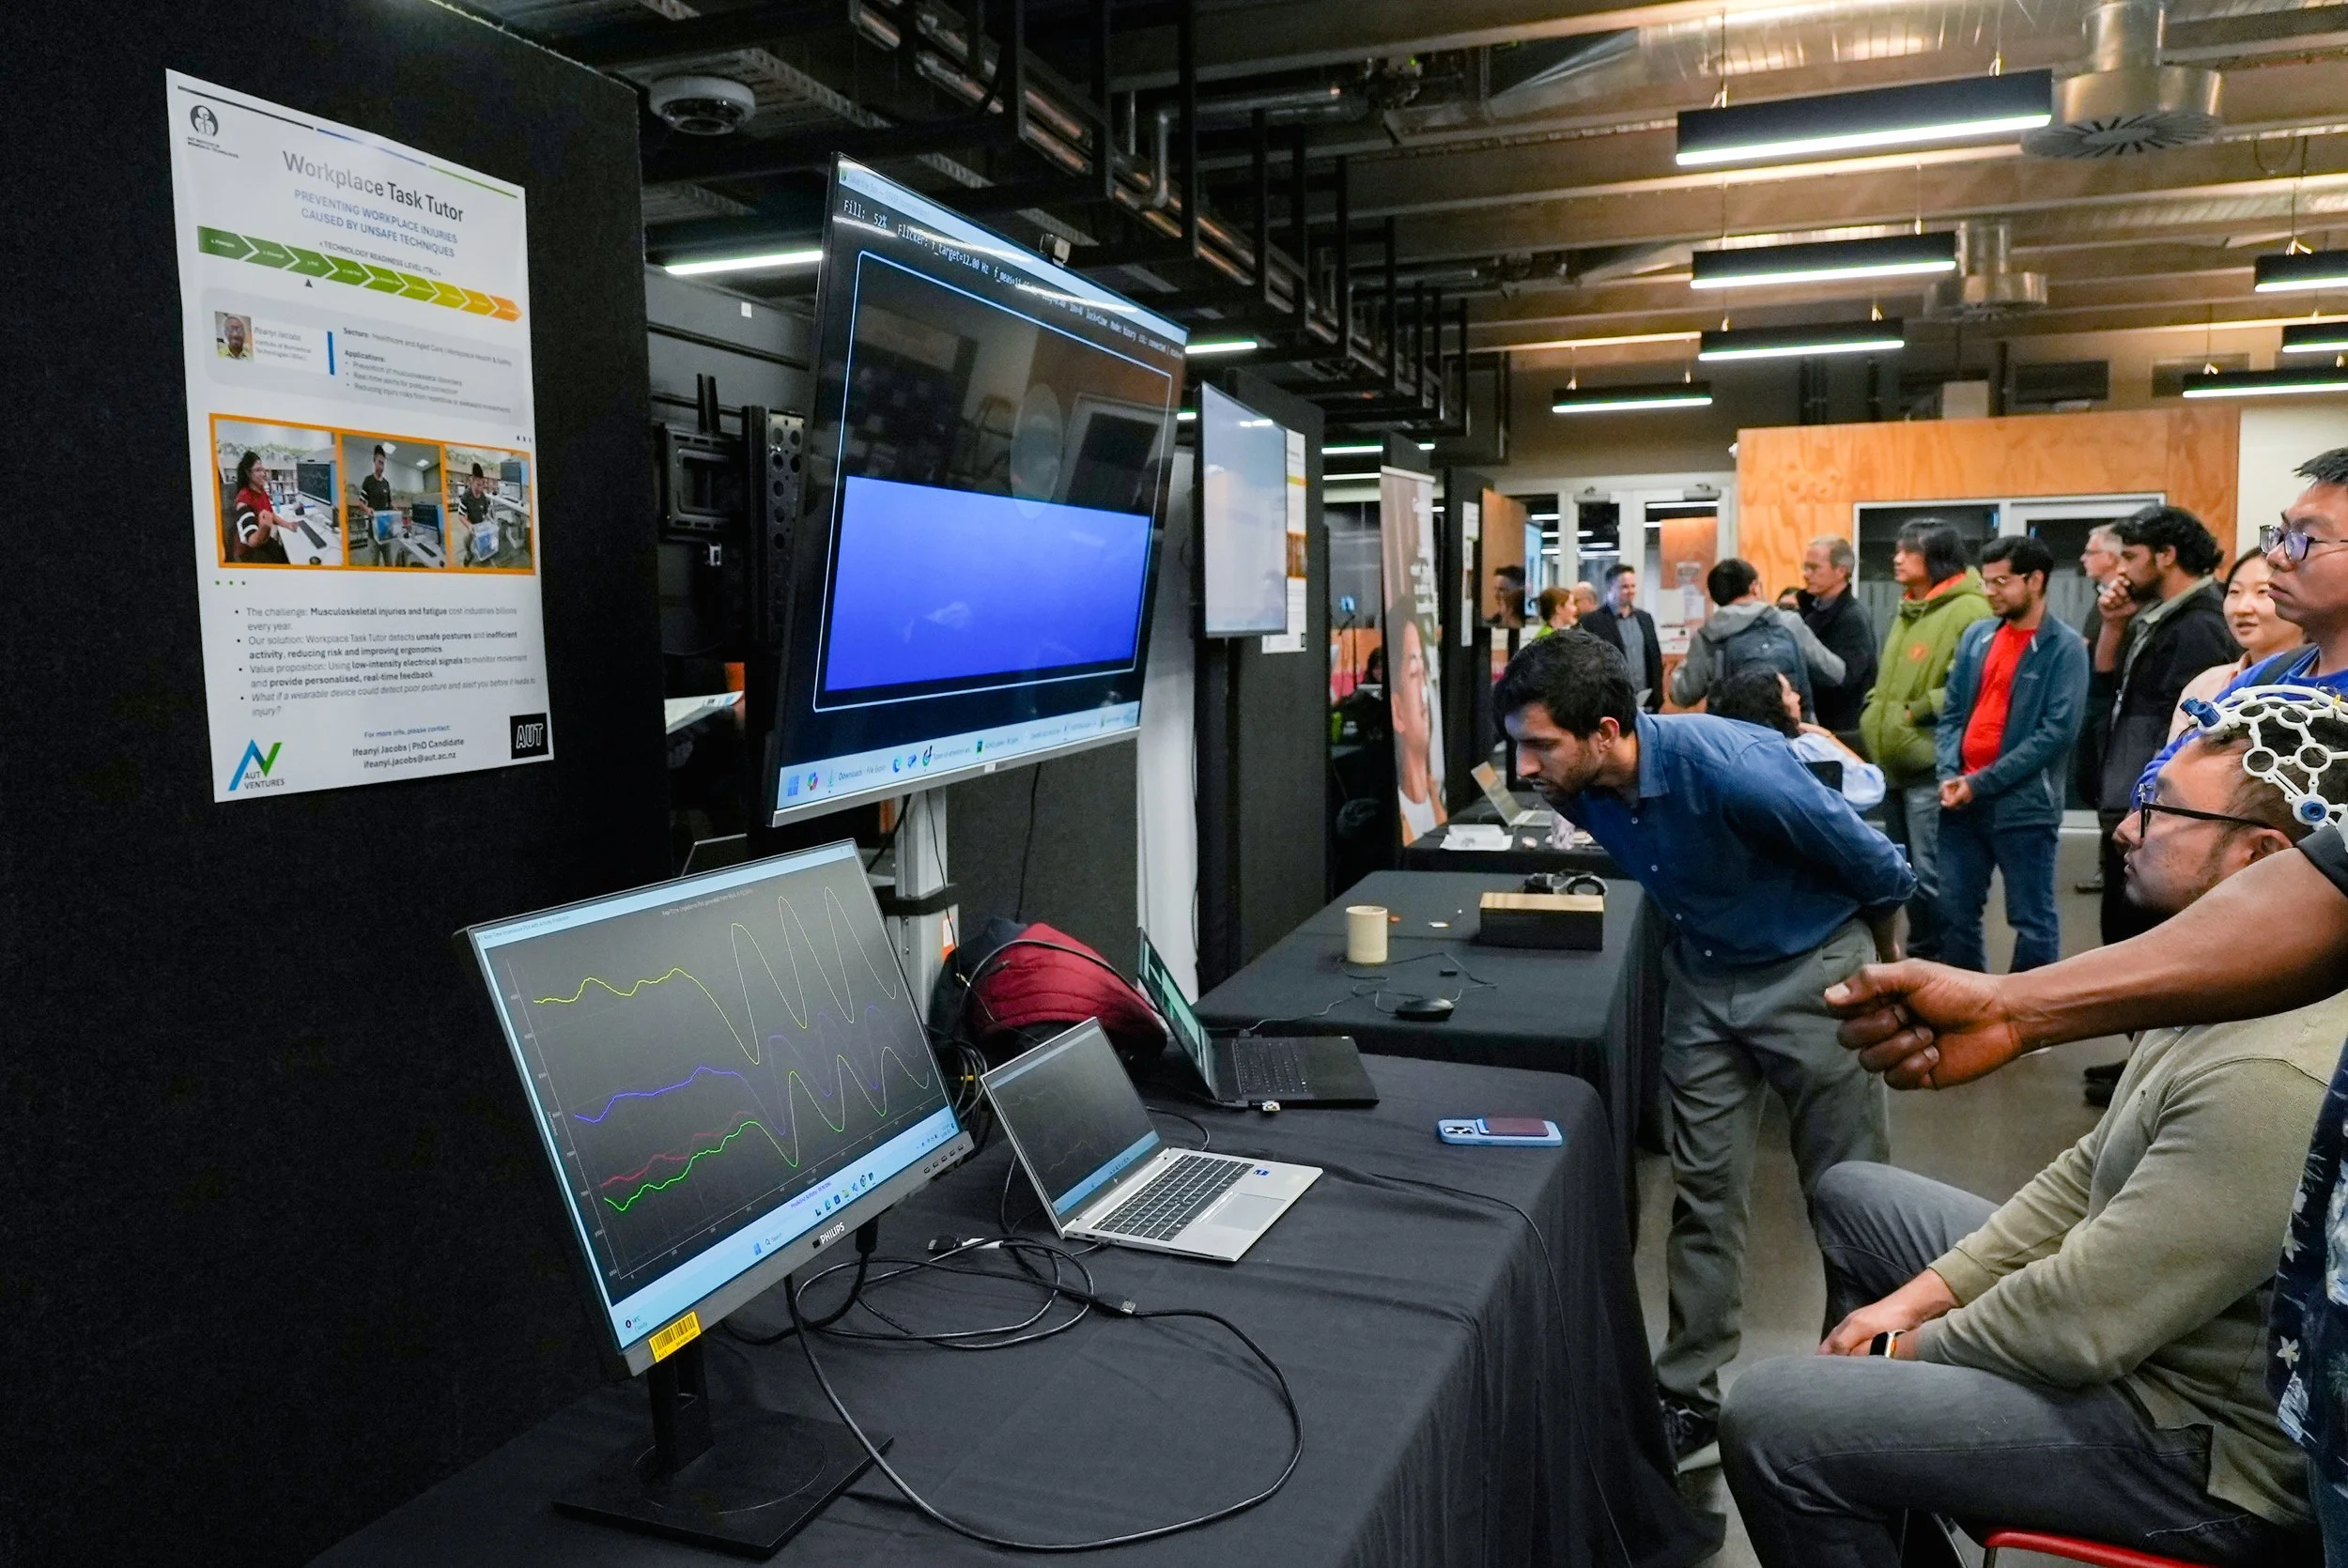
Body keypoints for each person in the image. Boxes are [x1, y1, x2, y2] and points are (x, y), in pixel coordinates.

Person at [1725, 699, 2348, 1568]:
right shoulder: (2211, 990)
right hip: (2138, 1341)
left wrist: (1901, 1349)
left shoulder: (2277, 1072)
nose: (2127, 830)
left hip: (2197, 1446)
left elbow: (2085, 1323)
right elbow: (2086, 1171)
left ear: (2264, 860)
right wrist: (1922, 1296)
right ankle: (1889, 1469)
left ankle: (1859, 1438)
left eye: (2162, 810)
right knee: (1855, 1196)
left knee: (1776, 1420)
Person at [1495, 632, 1915, 1470]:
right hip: (1704, 980)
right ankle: (1689, 1394)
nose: (1523, 767)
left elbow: (1884, 870)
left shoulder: (1735, 767)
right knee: (1704, 1194)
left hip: (1814, 975)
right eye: (1518, 744)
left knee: (1850, 1197)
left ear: (1607, 730)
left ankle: (1862, 1389)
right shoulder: (1579, 787)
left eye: (1540, 744)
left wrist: (1876, 976)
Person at [1933, 536, 2089, 975]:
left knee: (2032, 919)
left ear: (2035, 580)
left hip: (2024, 808)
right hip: (1960, 802)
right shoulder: (1977, 636)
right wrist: (1949, 772)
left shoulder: (2065, 647)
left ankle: (2028, 1017)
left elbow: (2056, 734)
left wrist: (1978, 783)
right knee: (1954, 913)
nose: (1991, 592)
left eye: (2002, 581)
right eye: (1986, 582)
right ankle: (1965, 1006)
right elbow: (1951, 713)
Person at [2092, 504, 2234, 945]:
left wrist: (2149, 804)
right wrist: (2114, 625)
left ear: (2166, 555)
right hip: (2133, 799)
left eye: (2132, 557)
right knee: (2118, 928)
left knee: (2136, 935)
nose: (2123, 569)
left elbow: (2186, 737)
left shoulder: (2199, 626)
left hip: (2156, 808)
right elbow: (2107, 687)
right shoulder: (2157, 617)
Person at [1858, 521, 1992, 961]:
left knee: (1936, 876)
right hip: (1897, 766)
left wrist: (1914, 711)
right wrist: (1877, 707)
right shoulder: (1910, 606)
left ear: (1936, 559)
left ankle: (1949, 971)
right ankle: (1921, 959)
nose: (1896, 558)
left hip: (1930, 767)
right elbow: (1890, 677)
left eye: (1908, 551)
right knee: (1907, 873)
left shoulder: (1970, 610)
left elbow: (1970, 683)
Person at [1669, 557, 1846, 715]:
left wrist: (1680, 667)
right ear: (1754, 587)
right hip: (1792, 732)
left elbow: (1682, 695)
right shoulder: (1788, 623)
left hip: (1733, 738)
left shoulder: (1709, 636)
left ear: (1715, 597)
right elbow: (1835, 672)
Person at [2170, 548, 2308, 739]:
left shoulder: (2322, 683)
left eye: (2262, 591)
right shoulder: (2205, 686)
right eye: (2234, 592)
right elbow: (2172, 763)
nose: (2242, 608)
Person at [1709, 667, 1886, 812]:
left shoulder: (1729, 754)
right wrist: (1828, 737)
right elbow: (1871, 787)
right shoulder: (1807, 748)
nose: (1797, 697)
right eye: (1788, 693)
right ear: (1775, 707)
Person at [2075, 522, 2127, 893]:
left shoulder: (2125, 600)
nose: (2083, 559)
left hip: (2114, 706)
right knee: (2091, 783)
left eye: (2091, 552)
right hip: (2096, 701)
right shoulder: (2102, 598)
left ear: (2110, 557)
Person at [1799, 536, 1879, 737]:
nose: (1806, 574)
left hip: (1841, 732)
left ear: (1841, 571)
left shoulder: (1852, 618)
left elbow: (1848, 678)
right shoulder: (1810, 610)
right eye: (1805, 567)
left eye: (1814, 568)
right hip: (1818, 729)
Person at [1390, 608, 1446, 842]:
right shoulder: (1401, 818)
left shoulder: (1436, 799)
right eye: (1414, 672)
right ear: (1397, 712)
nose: (1425, 690)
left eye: (1424, 670)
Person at [1580, 562, 1664, 714]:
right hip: (1610, 703)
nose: (1631, 591)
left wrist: (1658, 695)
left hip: (1646, 702)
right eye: (1624, 587)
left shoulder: (1645, 619)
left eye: (1633, 586)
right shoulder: (1592, 621)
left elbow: (1655, 658)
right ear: (1610, 587)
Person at [228, 451, 288, 564]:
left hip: (264, 541)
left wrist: (288, 525)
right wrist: (263, 528)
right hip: (250, 552)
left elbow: (271, 515)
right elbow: (252, 541)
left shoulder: (260, 490)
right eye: (257, 470)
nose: (263, 473)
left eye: (263, 469)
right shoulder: (243, 500)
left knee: (284, 553)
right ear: (248, 473)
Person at [1491, 562, 1528, 627]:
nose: (1496, 595)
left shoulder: (1531, 620)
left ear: (1519, 591)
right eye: (1495, 589)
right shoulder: (1494, 621)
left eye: (1501, 590)